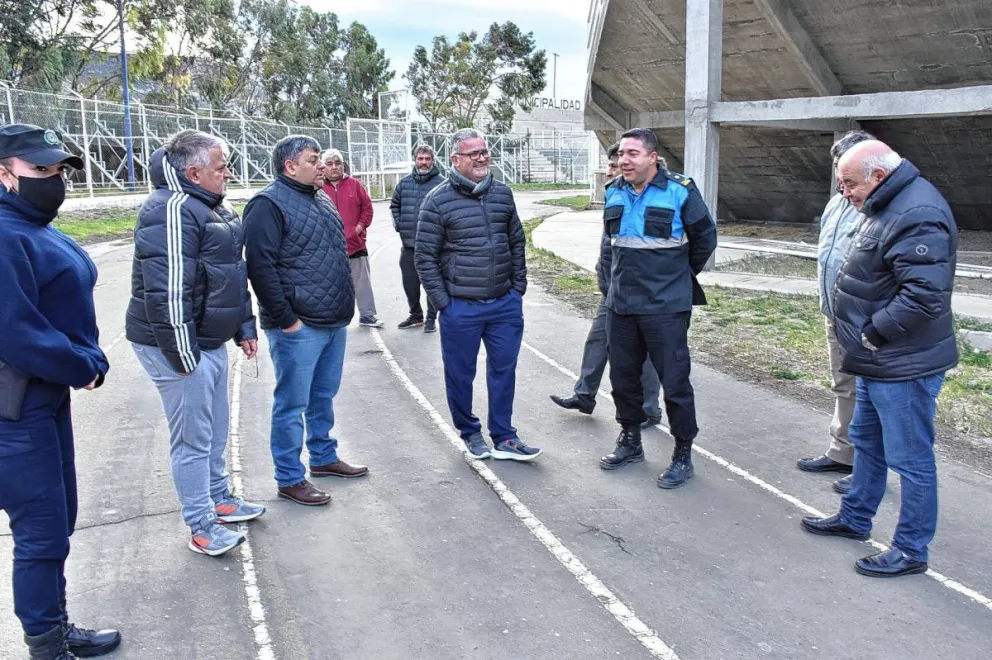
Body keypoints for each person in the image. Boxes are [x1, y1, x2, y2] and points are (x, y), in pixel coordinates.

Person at [802, 140, 958, 578]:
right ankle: (855, 517)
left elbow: (923, 296)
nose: (845, 192)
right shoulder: (885, 202)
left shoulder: (917, 212)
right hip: (878, 358)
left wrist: (871, 334)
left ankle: (910, 549)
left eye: (850, 183)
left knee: (910, 457)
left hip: (902, 361)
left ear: (879, 176)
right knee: (867, 441)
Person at [0, 123, 121, 658]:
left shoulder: (35, 227)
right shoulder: (5, 235)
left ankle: (56, 624)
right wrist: (83, 365)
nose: (53, 179)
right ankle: (47, 646)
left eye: (57, 169)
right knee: (41, 531)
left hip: (46, 397)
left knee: (58, 519)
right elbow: (15, 332)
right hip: (16, 406)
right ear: (4, 175)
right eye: (39, 169)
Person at [126, 130, 265, 557]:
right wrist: (184, 356)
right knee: (192, 438)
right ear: (193, 173)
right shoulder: (170, 210)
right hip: (175, 344)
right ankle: (201, 524)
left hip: (207, 339)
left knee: (215, 425)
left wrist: (244, 325)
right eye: (221, 168)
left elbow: (232, 273)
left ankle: (220, 498)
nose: (228, 174)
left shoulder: (213, 206)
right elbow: (167, 293)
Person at [244, 135, 368, 508]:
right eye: (314, 160)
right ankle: (289, 477)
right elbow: (261, 268)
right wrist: (287, 321)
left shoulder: (320, 198)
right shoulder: (267, 205)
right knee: (292, 404)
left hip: (332, 319)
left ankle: (323, 456)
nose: (322, 166)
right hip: (299, 326)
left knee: (322, 396)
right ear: (290, 166)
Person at [599, 128, 717, 489]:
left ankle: (682, 453)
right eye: (621, 154)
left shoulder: (681, 190)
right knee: (623, 378)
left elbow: (705, 239)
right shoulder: (613, 191)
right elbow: (612, 246)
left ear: (652, 157)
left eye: (632, 154)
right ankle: (630, 439)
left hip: (665, 306)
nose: (624, 160)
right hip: (622, 305)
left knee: (675, 382)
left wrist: (676, 278)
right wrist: (611, 288)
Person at [415, 128, 540, 461]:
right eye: (474, 154)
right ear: (455, 159)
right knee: (460, 375)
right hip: (461, 307)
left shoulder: (502, 194)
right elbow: (424, 258)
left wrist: (517, 288)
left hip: (504, 304)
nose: (483, 158)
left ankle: (504, 436)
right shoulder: (437, 201)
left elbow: (516, 241)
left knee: (504, 370)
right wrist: (444, 304)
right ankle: (469, 432)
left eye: (484, 152)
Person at [551, 141, 663, 430]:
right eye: (612, 164)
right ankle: (584, 395)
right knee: (597, 340)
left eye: (615, 166)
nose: (611, 171)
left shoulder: (651, 196)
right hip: (612, 290)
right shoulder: (615, 195)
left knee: (645, 355)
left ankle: (649, 410)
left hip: (642, 294)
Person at [796, 130, 874, 495]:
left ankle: (869, 468)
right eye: (837, 168)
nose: (840, 177)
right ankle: (843, 453)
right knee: (844, 385)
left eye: (846, 168)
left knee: (870, 394)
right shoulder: (836, 204)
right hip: (836, 314)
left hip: (866, 321)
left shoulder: (876, 206)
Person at [321, 148, 382, 328]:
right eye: (330, 164)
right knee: (330, 285)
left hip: (355, 245)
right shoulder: (317, 188)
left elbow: (367, 208)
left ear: (343, 165)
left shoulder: (355, 185)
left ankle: (367, 315)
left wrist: (359, 228)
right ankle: (333, 317)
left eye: (337, 163)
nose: (334, 167)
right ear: (323, 166)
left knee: (362, 282)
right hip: (328, 248)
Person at [391, 145, 444, 333]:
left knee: (431, 284)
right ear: (415, 160)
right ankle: (416, 315)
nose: (424, 162)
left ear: (433, 161)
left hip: (432, 248)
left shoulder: (442, 184)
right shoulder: (404, 184)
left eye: (427, 159)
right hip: (409, 245)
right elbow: (395, 205)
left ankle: (431, 319)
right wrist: (399, 224)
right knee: (410, 284)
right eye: (420, 158)